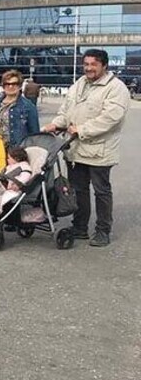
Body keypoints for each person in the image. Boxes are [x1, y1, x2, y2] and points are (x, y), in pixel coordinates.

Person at [43, 49, 130, 247]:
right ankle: (80, 227)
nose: (89, 68)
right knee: (78, 190)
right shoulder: (79, 84)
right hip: (75, 149)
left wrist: (81, 129)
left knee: (101, 192)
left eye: (94, 64)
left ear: (104, 66)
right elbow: (66, 112)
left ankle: (103, 230)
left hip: (99, 150)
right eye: (86, 64)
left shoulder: (115, 88)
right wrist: (56, 124)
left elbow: (110, 119)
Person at [0, 69, 39, 148]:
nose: (10, 86)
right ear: (3, 86)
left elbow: (35, 134)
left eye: (14, 84)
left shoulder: (28, 106)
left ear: (19, 86)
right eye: (7, 84)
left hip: (17, 152)